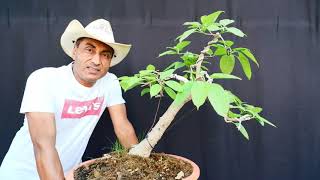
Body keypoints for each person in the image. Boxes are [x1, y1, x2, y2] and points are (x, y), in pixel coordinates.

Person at [0, 19, 138, 180]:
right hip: (22, 173)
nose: (96, 61)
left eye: (105, 55)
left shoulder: (110, 81)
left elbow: (123, 127)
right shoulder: (44, 80)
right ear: (74, 51)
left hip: (70, 173)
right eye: (89, 50)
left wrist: (140, 163)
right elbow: (43, 146)